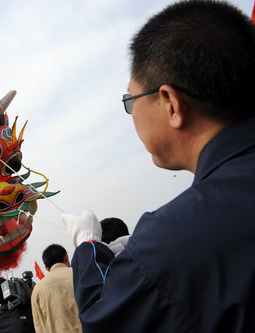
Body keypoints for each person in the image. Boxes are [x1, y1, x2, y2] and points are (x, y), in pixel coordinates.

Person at [61, 1, 255, 332]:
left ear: (170, 102)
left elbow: (104, 319)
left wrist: (87, 248)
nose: (131, 112)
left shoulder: (173, 241)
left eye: (130, 100)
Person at [30, 244, 81, 333]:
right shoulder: (81, 274)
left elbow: (40, 328)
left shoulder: (37, 290)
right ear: (66, 257)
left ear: (46, 268)